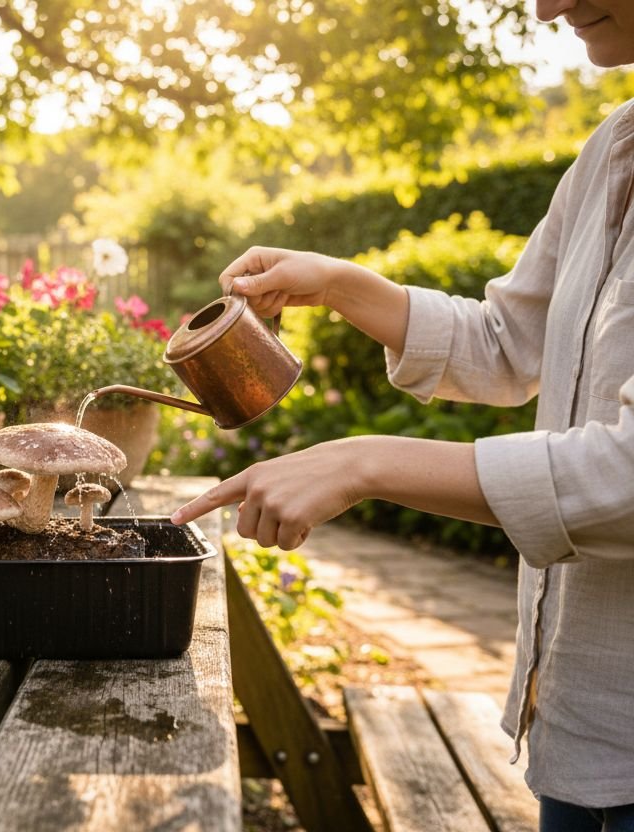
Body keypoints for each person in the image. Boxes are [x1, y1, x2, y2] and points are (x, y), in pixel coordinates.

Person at [170, 2, 634, 829]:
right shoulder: (612, 147)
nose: (546, 6)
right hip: (578, 716)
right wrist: (341, 284)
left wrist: (363, 463)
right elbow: (510, 342)